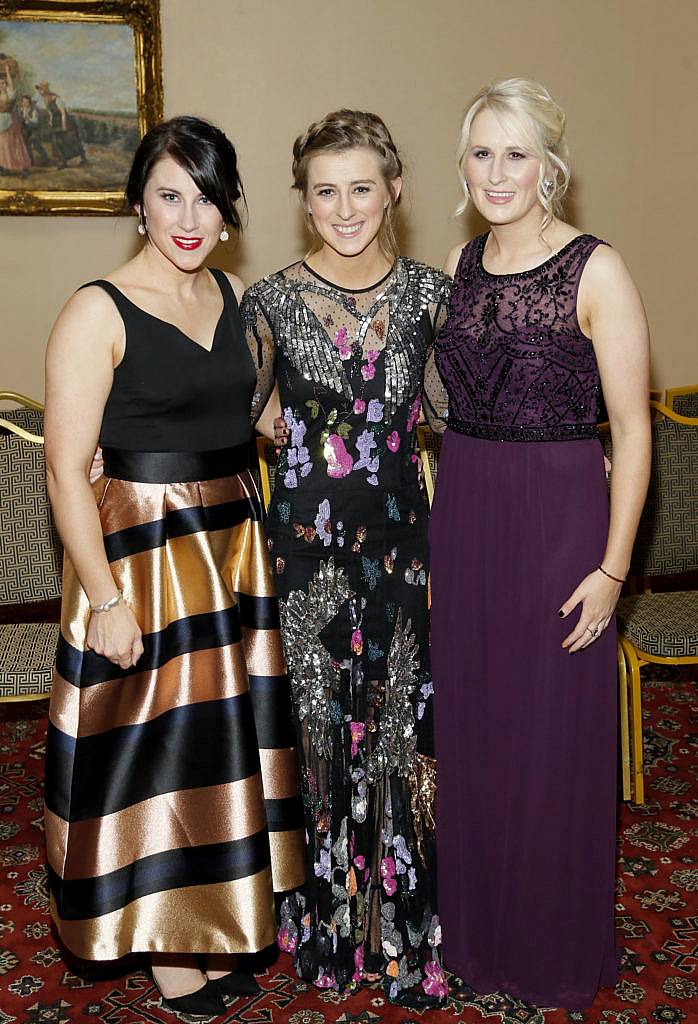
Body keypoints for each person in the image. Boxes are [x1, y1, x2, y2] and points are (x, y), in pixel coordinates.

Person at [44, 115, 305, 1017]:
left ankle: (209, 919)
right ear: (138, 205)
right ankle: (163, 947)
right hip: (143, 558)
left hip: (230, 546)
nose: (187, 217)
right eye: (168, 196)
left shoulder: (233, 297)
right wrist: (107, 599)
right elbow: (64, 469)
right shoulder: (95, 309)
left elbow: (249, 419)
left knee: (217, 745)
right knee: (152, 751)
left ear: (228, 208)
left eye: (205, 196)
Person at [429, 78, 651, 1010]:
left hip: (562, 521)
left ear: (550, 163)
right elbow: (438, 412)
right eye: (481, 152)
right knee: (476, 732)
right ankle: (478, 941)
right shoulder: (458, 260)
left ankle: (554, 949)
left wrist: (611, 571)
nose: (496, 172)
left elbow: (631, 432)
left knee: (551, 739)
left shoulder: (597, 269)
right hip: (469, 514)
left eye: (515, 152)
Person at [240, 110, 450, 1005]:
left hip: (405, 557)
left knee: (401, 739)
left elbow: (465, 411)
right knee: (320, 742)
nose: (345, 206)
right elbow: (222, 410)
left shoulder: (435, 297)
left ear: (394, 188)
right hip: (304, 564)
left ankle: (400, 934)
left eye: (361, 186)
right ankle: (324, 927)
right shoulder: (270, 303)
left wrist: (573, 446)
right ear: (304, 202)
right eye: (325, 191)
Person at [35, 80, 87, 167]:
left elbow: (63, 113)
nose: (39, 92)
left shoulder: (57, 98)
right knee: (57, 142)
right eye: (39, 90)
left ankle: (83, 158)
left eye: (41, 89)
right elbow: (50, 112)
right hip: (56, 122)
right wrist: (51, 121)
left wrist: (64, 125)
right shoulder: (45, 99)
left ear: (46, 89)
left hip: (66, 121)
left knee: (71, 141)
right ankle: (63, 161)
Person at [0, 61, 30, 175]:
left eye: (3, 83)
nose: (1, 85)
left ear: (6, 84)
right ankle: (5, 167)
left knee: (14, 145)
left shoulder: (10, 93)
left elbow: (11, 84)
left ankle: (23, 168)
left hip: (10, 122)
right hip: (0, 121)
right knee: (2, 146)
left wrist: (7, 71)